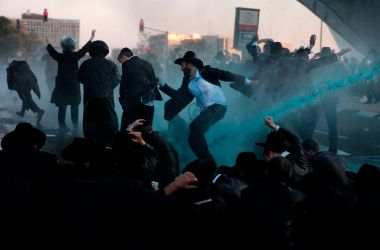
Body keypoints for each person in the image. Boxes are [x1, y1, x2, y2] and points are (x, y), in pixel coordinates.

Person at [161, 54, 256, 160]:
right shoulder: (188, 83)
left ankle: (207, 160)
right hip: (207, 111)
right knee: (192, 134)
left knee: (195, 129)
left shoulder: (207, 72)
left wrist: (247, 81)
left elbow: (226, 75)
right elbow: (178, 97)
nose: (181, 68)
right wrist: (162, 85)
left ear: (190, 64)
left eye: (182, 65)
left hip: (218, 108)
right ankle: (208, 151)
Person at [46, 30, 95, 132]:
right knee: (74, 108)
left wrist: (48, 43)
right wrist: (91, 38)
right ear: (73, 46)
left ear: (63, 46)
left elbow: (51, 51)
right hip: (73, 86)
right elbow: (85, 49)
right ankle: (75, 127)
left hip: (62, 86)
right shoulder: (75, 56)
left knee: (62, 107)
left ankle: (63, 127)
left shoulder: (59, 56)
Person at [77, 40, 120, 146]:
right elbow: (117, 79)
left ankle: (92, 145)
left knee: (90, 123)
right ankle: (109, 144)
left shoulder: (85, 64)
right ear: (105, 51)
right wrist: (109, 88)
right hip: (107, 99)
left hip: (90, 99)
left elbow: (79, 78)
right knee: (110, 121)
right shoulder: (111, 64)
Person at [117, 47, 162, 130]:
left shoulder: (127, 64)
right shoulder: (147, 63)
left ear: (123, 56)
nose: (121, 64)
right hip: (149, 101)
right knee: (146, 129)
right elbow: (153, 80)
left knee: (128, 129)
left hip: (135, 101)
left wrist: (123, 99)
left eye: (120, 61)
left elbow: (124, 85)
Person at [6, 60, 45, 125]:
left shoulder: (12, 68)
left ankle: (39, 111)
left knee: (26, 99)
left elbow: (10, 78)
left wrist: (12, 86)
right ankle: (23, 112)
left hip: (22, 83)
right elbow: (33, 78)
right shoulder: (24, 67)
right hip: (28, 83)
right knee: (26, 98)